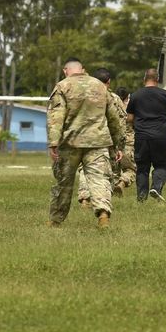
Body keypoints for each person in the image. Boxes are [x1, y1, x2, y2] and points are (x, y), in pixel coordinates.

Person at [47, 58, 124, 229]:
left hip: (70, 143)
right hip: (98, 142)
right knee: (99, 180)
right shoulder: (100, 86)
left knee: (64, 182)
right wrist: (118, 144)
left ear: (65, 71)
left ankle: (55, 221)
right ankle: (103, 215)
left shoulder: (62, 86)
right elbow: (113, 118)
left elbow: (56, 117)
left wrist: (53, 142)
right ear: (83, 69)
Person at [77, 68, 132, 206]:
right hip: (108, 141)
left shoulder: (82, 96)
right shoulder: (114, 99)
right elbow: (121, 123)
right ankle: (101, 203)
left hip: (85, 139)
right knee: (107, 173)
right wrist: (120, 146)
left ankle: (85, 197)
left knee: (85, 168)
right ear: (108, 82)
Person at [126, 68, 166, 203]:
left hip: (141, 136)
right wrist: (163, 121)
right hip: (160, 135)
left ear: (145, 79)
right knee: (162, 165)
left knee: (142, 167)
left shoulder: (135, 95)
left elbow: (129, 118)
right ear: (157, 79)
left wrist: (140, 123)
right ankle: (156, 187)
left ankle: (141, 197)